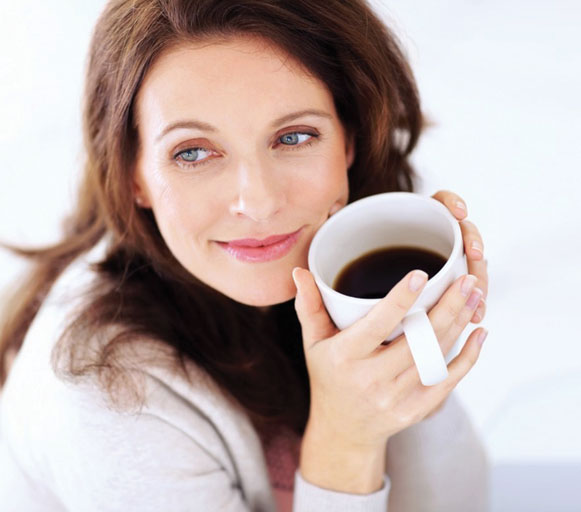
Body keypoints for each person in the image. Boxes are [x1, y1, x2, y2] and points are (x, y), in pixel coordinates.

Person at [0, 0, 490, 510]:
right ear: (133, 175)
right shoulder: (104, 393)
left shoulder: (338, 272)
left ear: (349, 139)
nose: (258, 202)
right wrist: (346, 440)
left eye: (294, 137)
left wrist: (410, 339)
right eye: (192, 152)